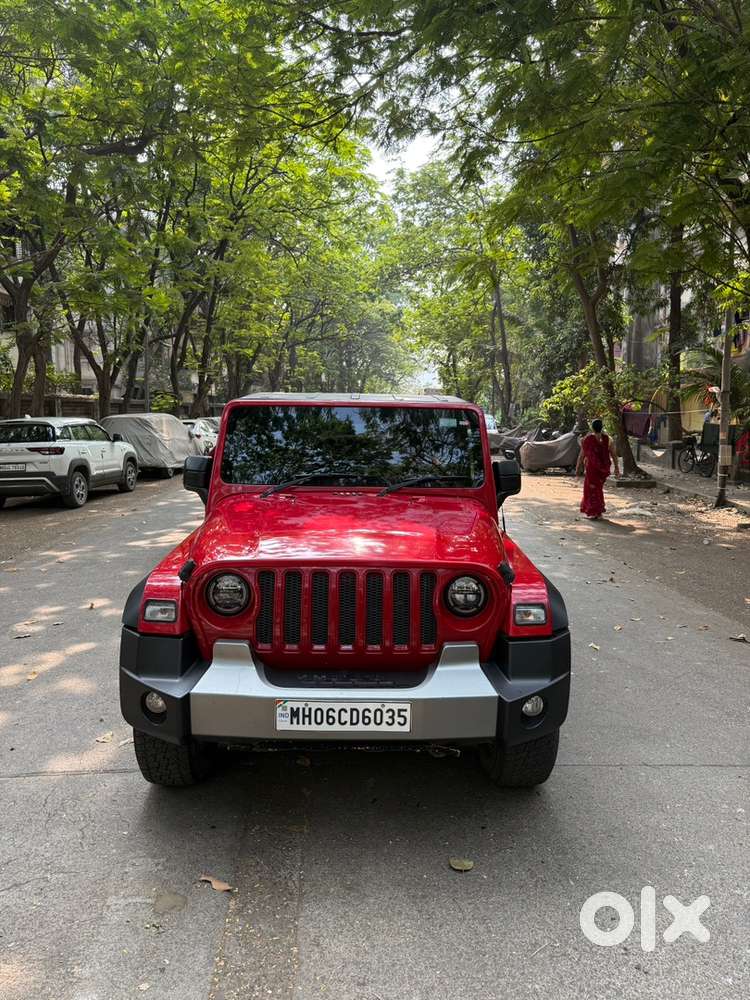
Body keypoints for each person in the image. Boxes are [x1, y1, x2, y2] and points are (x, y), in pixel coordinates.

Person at [575, 418, 620, 519]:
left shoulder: (586, 440)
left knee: (591, 490)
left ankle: (593, 512)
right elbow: (614, 454)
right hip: (603, 470)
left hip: (591, 469)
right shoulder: (608, 439)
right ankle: (598, 512)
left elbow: (581, 456)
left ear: (592, 428)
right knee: (598, 489)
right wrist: (616, 468)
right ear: (602, 427)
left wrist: (577, 469)